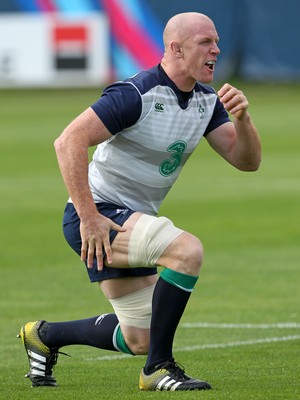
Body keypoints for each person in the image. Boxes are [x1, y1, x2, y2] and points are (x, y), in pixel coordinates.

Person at [19, 12, 261, 391]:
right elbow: (68, 142)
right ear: (176, 49)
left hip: (129, 219)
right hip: (99, 217)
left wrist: (243, 119)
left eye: (216, 41)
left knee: (139, 338)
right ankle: (157, 370)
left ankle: (44, 335)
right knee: (186, 252)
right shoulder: (136, 93)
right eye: (205, 42)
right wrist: (89, 218)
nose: (216, 49)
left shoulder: (206, 100)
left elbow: (247, 162)